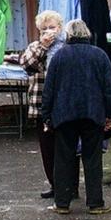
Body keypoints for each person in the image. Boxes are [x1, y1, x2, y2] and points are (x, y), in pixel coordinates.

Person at [41, 19, 111, 215]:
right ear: (87, 34)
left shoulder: (59, 56)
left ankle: (62, 203)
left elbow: (49, 89)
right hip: (93, 114)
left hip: (64, 115)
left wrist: (46, 116)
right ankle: (95, 203)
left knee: (63, 158)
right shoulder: (100, 56)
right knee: (93, 159)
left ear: (68, 35)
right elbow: (109, 89)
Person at [20, 10, 73, 200]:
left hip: (65, 107)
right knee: (48, 150)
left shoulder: (67, 47)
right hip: (42, 106)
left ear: (60, 28)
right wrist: (43, 46)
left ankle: (70, 186)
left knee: (68, 149)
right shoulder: (35, 47)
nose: (49, 32)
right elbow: (26, 65)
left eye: (52, 27)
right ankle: (55, 184)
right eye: (44, 29)